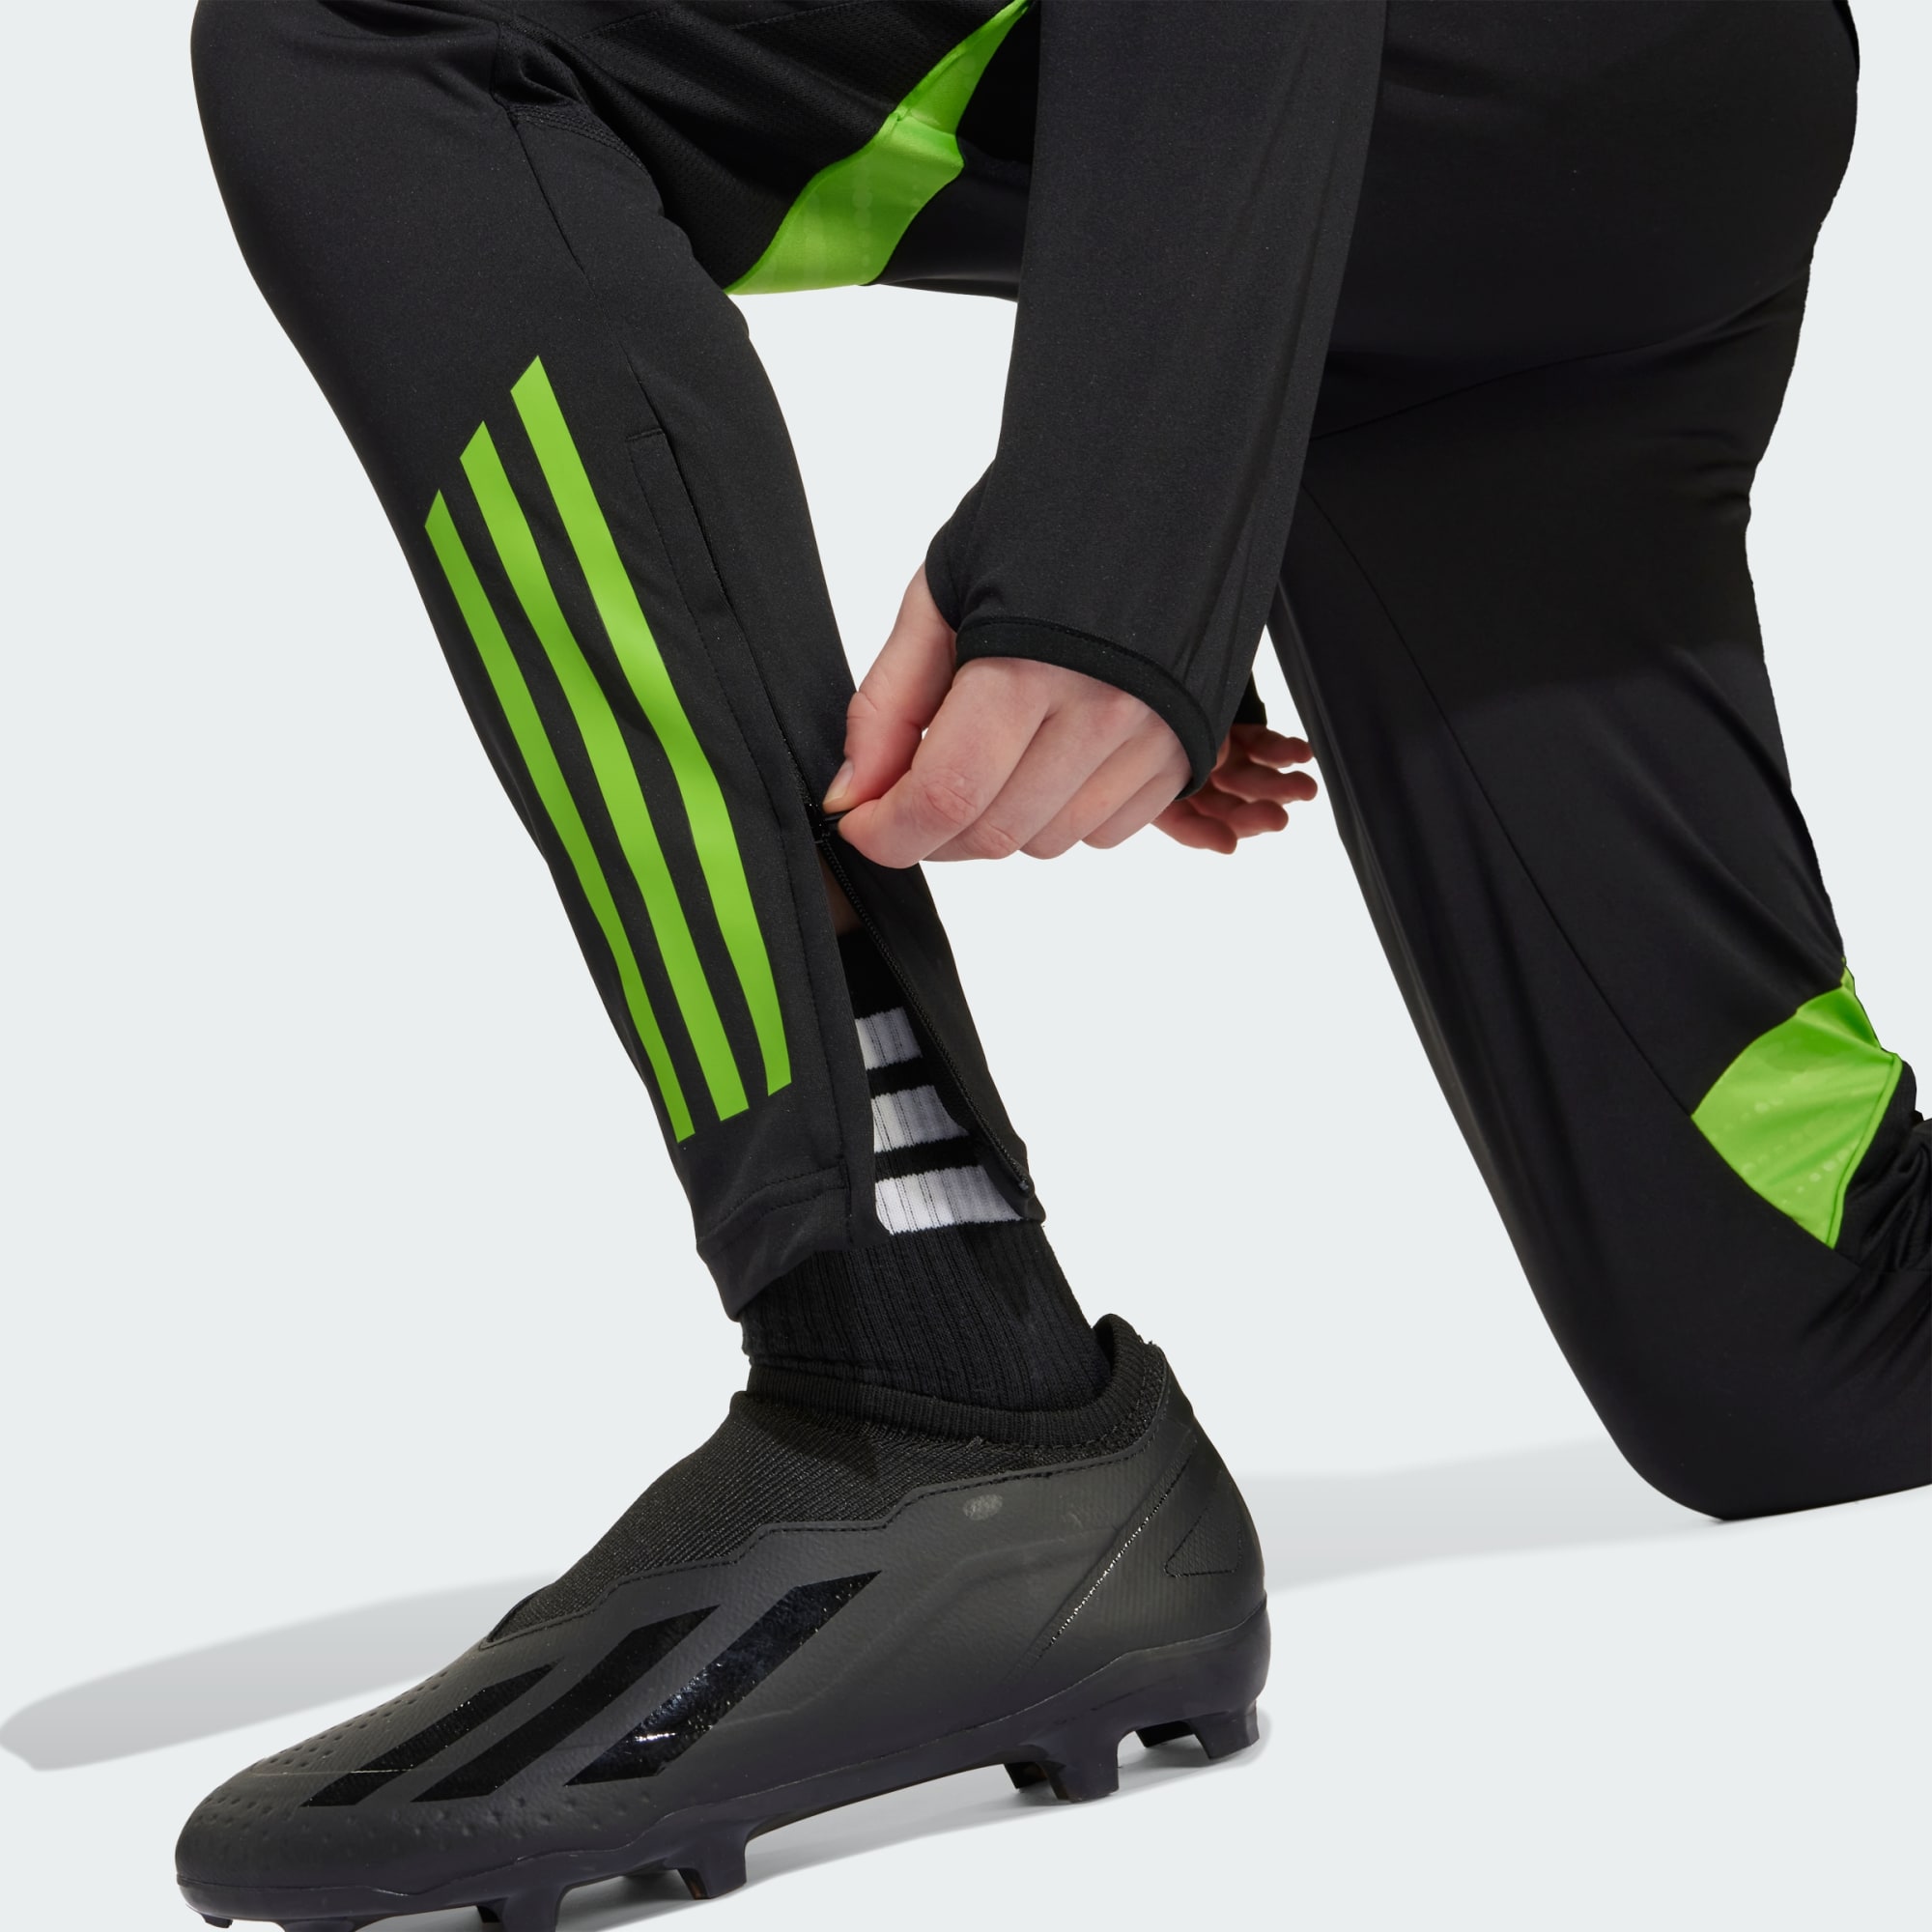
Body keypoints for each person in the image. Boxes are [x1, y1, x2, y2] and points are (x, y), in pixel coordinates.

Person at [178, 3, 1924, 1926]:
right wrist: (1161, 475)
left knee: (377, 37)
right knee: (1803, 1355)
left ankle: (924, 1372)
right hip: (1558, 172)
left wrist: (1120, 544)